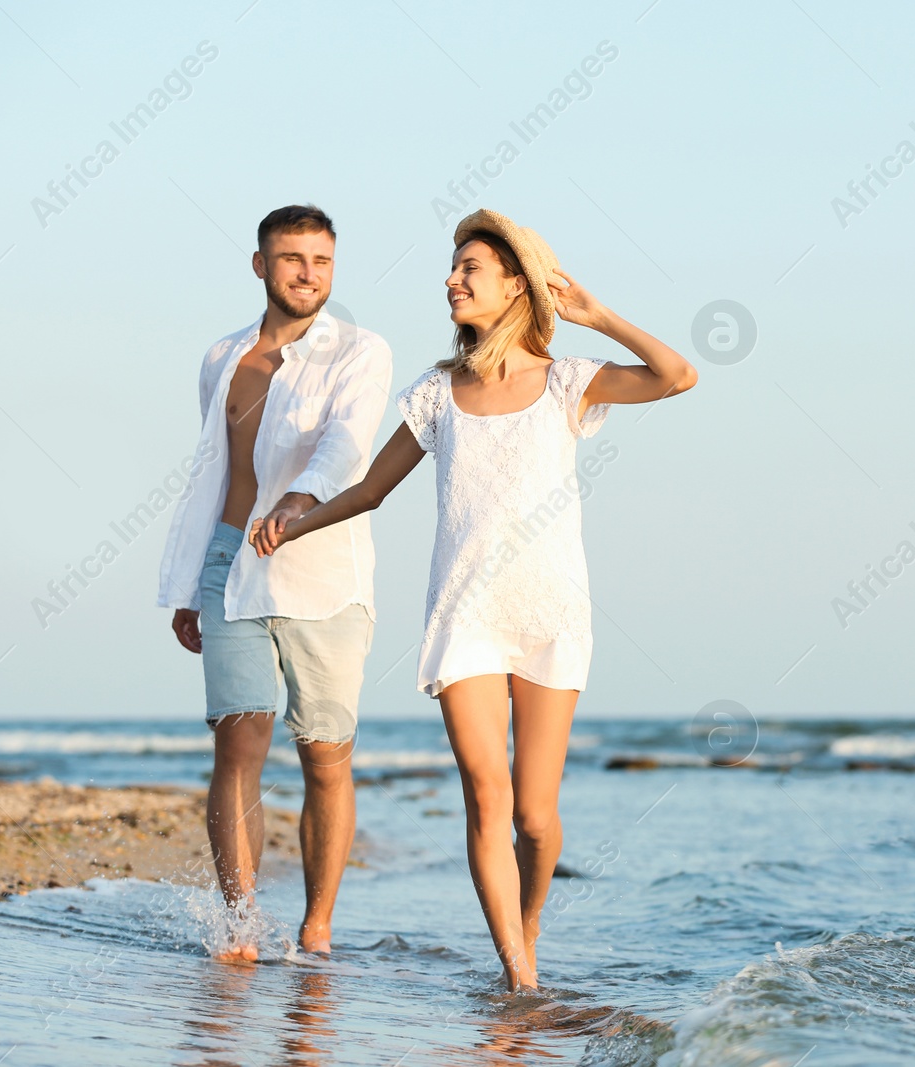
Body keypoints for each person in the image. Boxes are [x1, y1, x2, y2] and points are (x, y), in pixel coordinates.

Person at [250, 208, 696, 989]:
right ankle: (519, 975)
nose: (452, 280)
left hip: (551, 615)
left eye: (470, 269)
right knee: (487, 801)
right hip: (467, 618)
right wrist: (297, 516)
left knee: (533, 816)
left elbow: (676, 374)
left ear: (515, 286)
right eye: (453, 268)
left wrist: (595, 316)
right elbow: (370, 490)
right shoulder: (436, 392)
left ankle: (527, 927)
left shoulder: (566, 381)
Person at [157, 204, 392, 960]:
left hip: (320, 568)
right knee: (238, 741)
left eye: (322, 261)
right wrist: (194, 579)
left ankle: (317, 927)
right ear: (261, 265)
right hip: (231, 562)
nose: (308, 274)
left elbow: (348, 441)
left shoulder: (361, 350)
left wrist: (303, 497)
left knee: (325, 753)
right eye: (292, 258)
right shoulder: (222, 356)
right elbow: (214, 472)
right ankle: (241, 924)